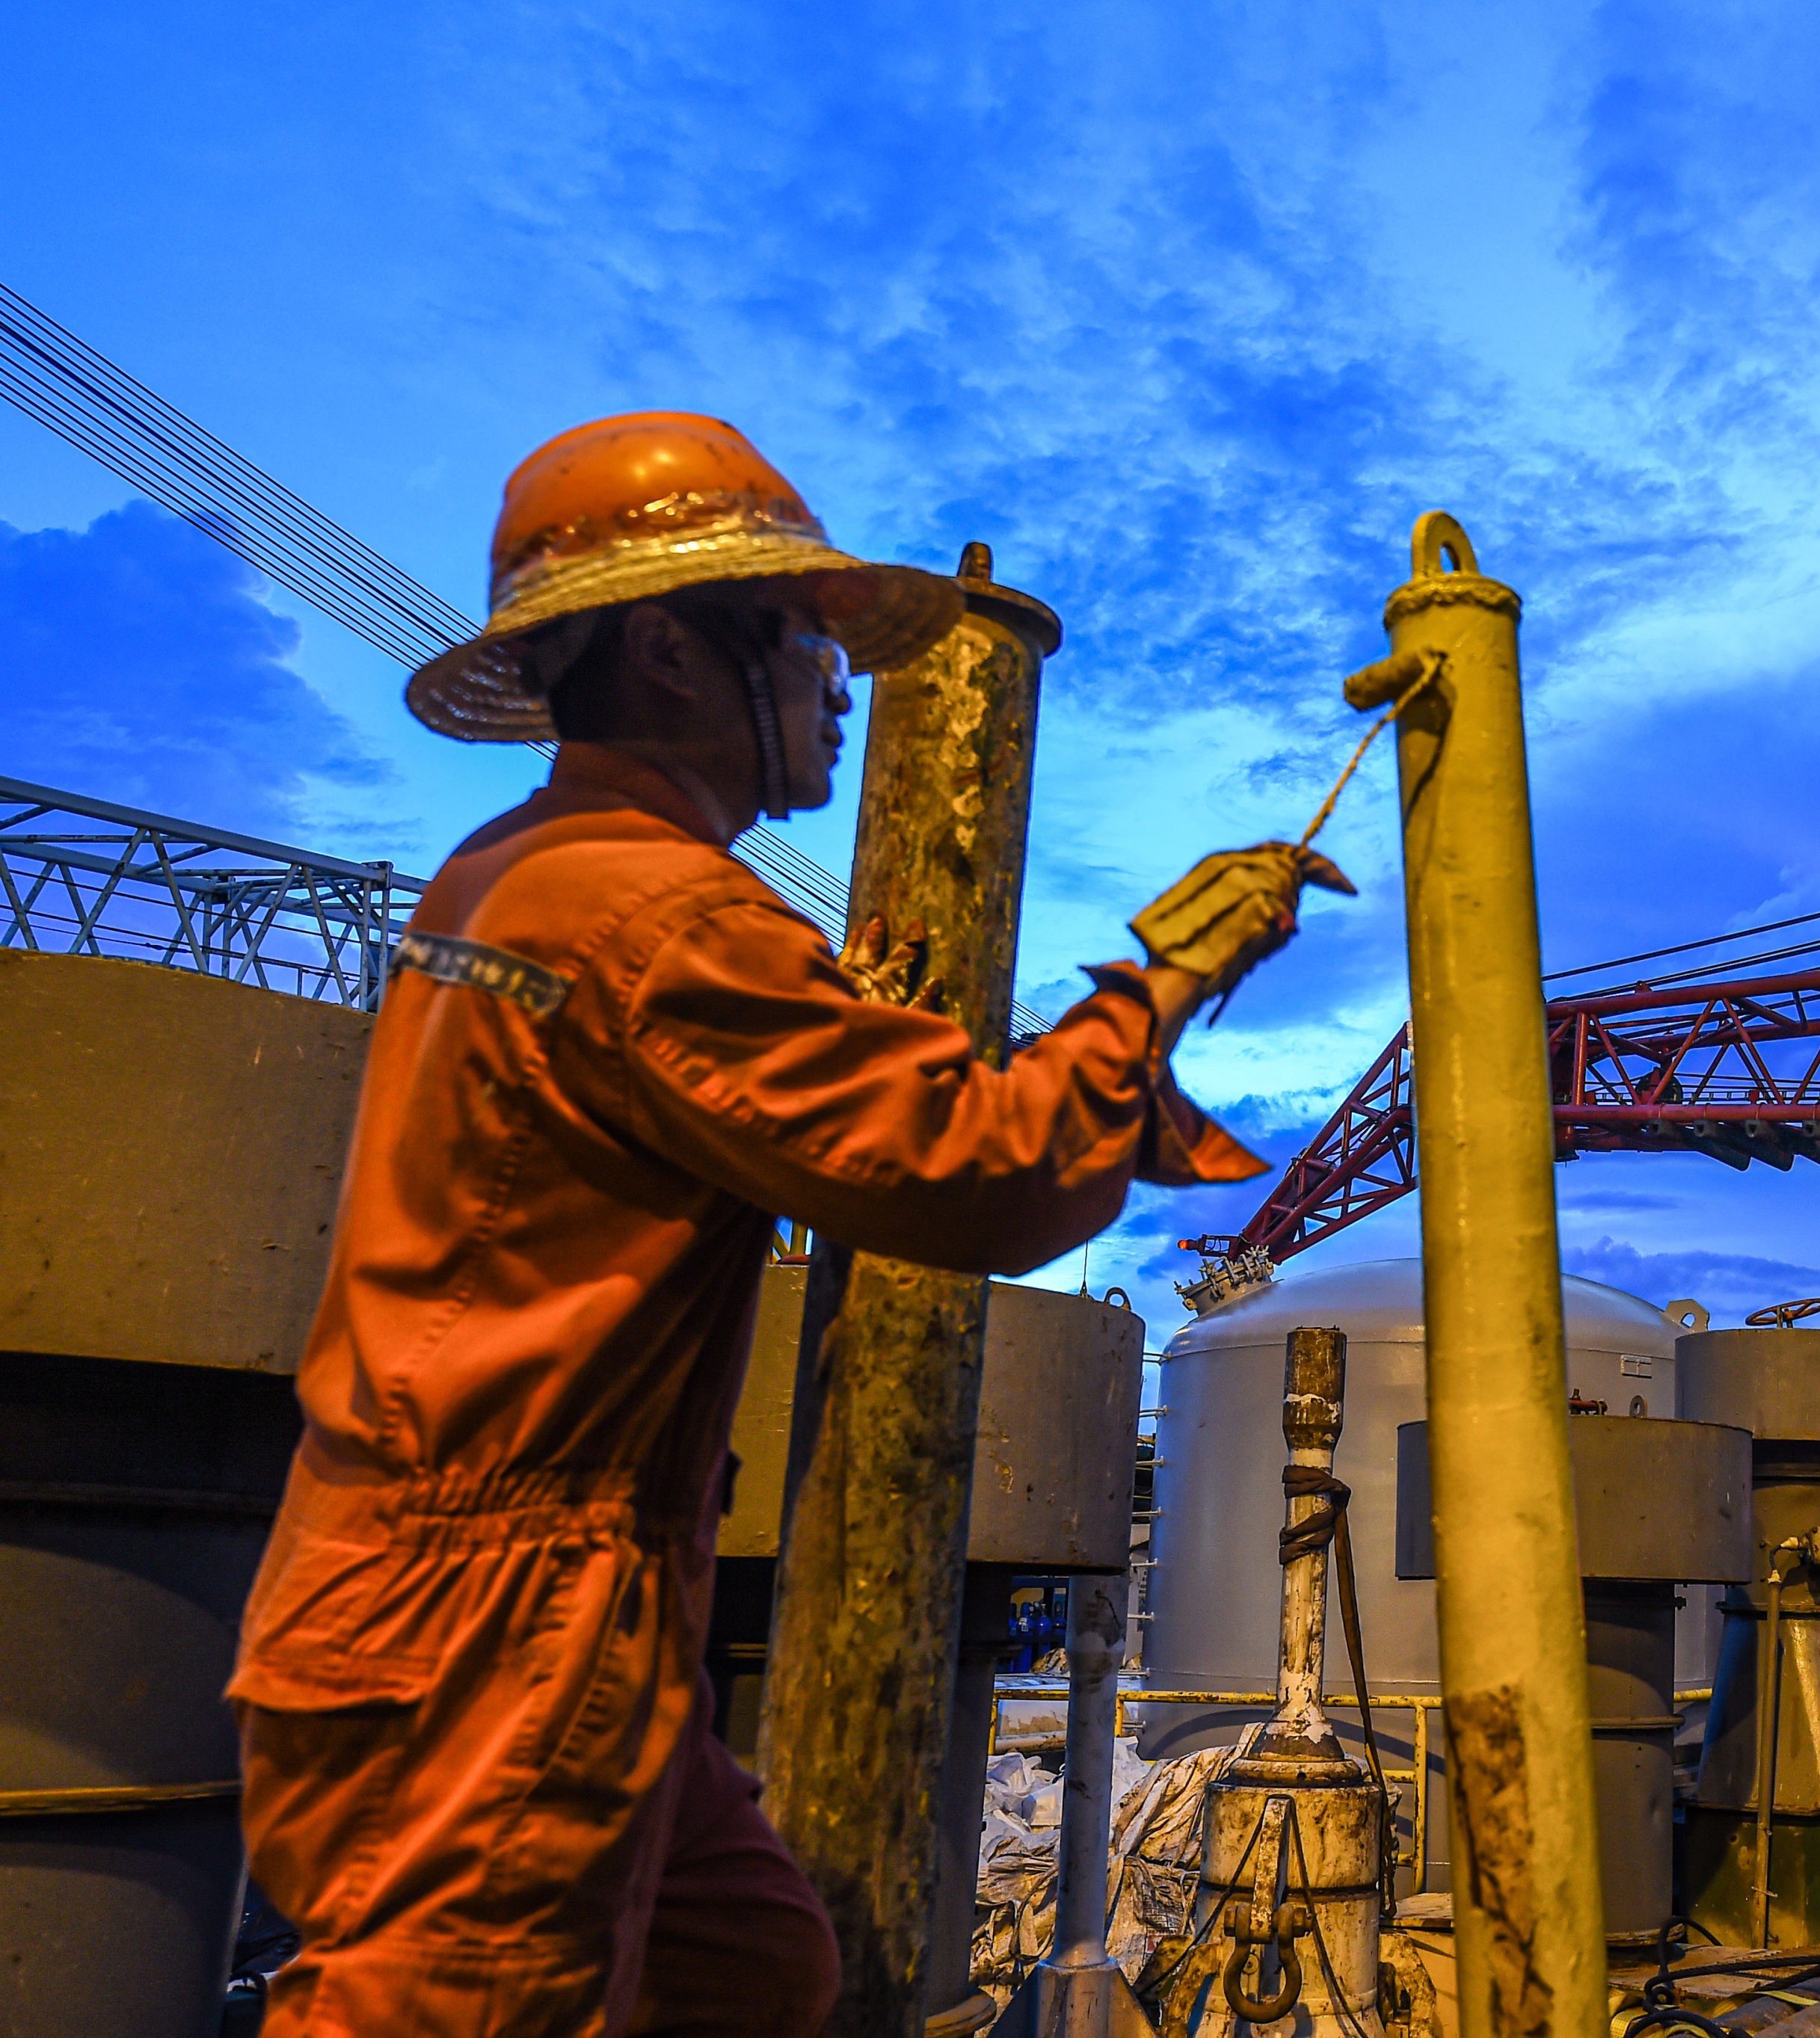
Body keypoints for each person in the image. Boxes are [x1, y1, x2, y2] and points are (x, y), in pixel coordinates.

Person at [226, 411, 1346, 2036]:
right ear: (675, 651)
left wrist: (839, 1028)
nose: (840, 679)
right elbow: (987, 1171)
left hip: (475, 1582)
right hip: (493, 1614)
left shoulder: (522, 872)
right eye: (807, 638)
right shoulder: (657, 912)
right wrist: (1168, 979)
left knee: (742, 1963)